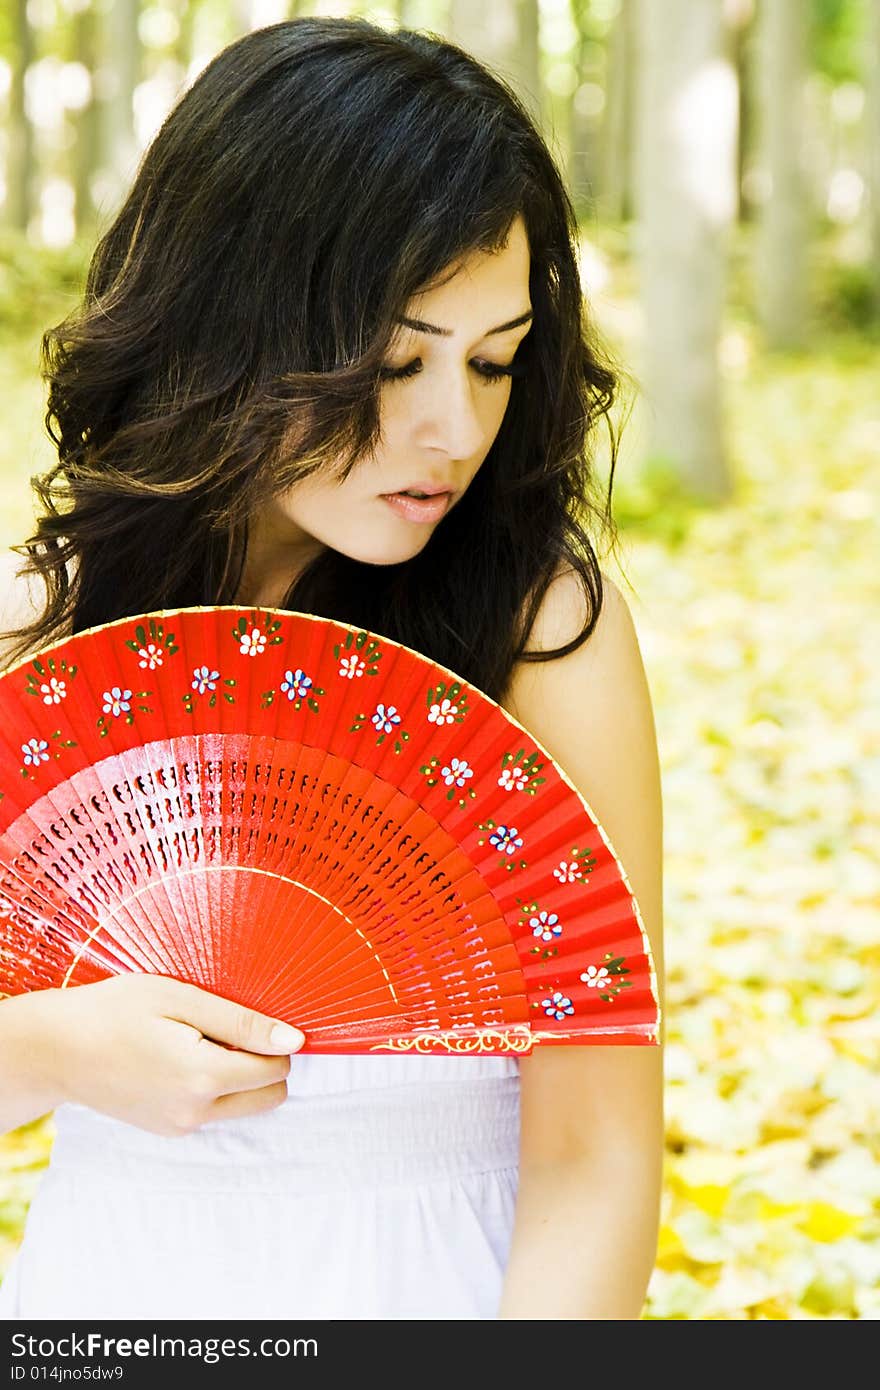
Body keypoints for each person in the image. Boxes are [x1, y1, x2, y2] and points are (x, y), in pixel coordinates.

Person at [0, 16, 665, 1321]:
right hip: (108, 1291)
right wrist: (57, 1046)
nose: (453, 428)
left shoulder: (541, 636)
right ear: (233, 319)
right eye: (398, 359)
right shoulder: (49, 624)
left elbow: (596, 1161)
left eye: (494, 361)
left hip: (450, 1286)